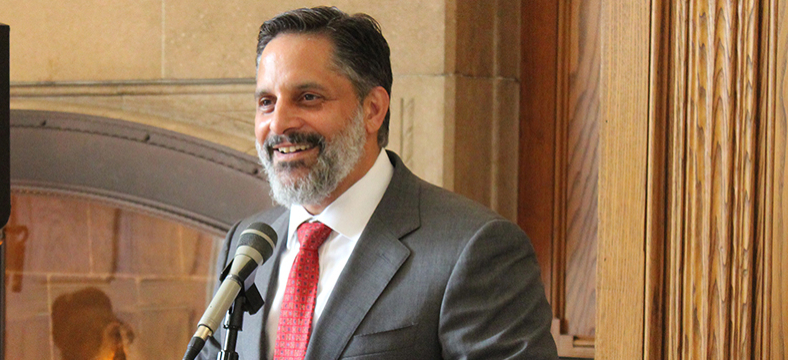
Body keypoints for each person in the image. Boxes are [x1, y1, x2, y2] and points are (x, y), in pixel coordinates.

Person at [201, 7, 558, 360]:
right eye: (266, 102)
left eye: (308, 98)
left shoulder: (475, 248)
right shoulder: (247, 245)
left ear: (372, 109)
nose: (278, 124)